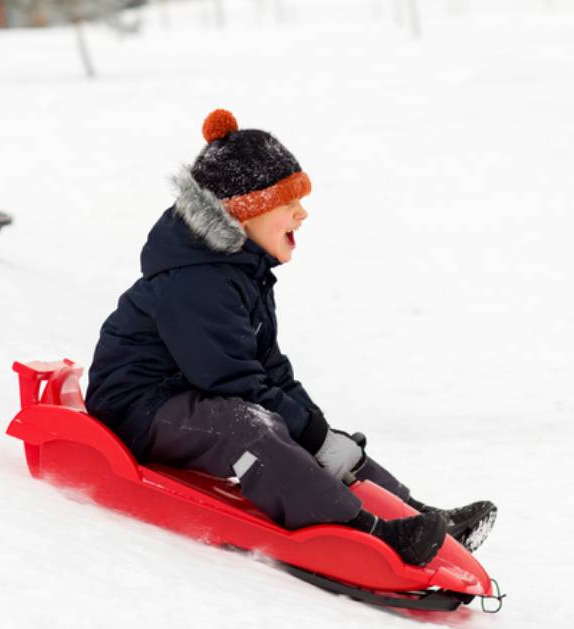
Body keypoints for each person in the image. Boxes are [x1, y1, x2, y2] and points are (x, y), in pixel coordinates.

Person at [86, 109, 496, 567]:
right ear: (244, 210)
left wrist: (320, 433)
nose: (302, 213)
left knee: (308, 430)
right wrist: (310, 436)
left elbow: (269, 371)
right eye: (288, 201)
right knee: (249, 428)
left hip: (194, 394)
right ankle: (365, 534)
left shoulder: (244, 271)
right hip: (141, 406)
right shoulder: (195, 282)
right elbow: (230, 381)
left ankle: (413, 510)